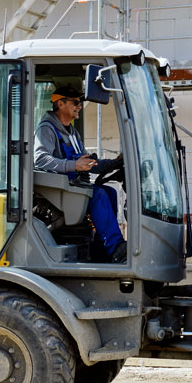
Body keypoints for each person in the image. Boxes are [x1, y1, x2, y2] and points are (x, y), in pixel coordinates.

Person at [35, 85, 127, 262]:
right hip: (55, 194)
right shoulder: (46, 130)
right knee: (99, 194)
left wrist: (116, 162)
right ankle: (116, 247)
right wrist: (73, 165)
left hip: (74, 189)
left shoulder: (73, 133)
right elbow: (40, 160)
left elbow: (89, 163)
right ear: (60, 104)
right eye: (76, 102)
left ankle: (103, 249)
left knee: (110, 192)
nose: (79, 106)